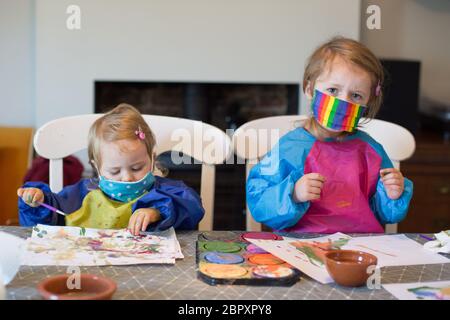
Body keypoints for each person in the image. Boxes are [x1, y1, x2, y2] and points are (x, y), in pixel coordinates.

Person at [247, 37, 413, 233]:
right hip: (301, 247)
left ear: (367, 103)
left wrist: (392, 194)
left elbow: (386, 214)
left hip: (360, 247)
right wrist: (293, 194)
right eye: (333, 90)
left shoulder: (371, 151)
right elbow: (259, 199)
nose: (343, 102)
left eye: (356, 96)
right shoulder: (290, 147)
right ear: (309, 89)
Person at [18, 104, 205, 235]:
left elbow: (192, 207)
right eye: (115, 171)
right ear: (97, 167)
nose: (127, 177)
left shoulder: (165, 191)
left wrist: (157, 212)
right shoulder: (84, 194)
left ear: (152, 159)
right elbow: (51, 218)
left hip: (149, 273)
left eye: (137, 167)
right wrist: (39, 202)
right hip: (92, 271)